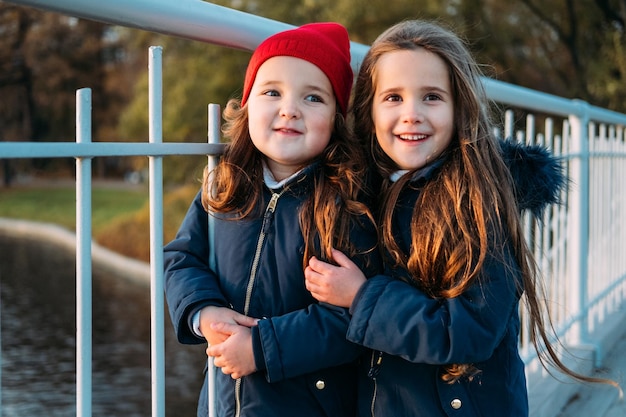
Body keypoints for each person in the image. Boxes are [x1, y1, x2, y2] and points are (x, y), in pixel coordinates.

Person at [304, 19, 619, 416]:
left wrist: (362, 297)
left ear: (459, 108)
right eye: (393, 98)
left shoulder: (477, 204)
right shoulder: (361, 196)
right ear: (367, 109)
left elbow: (469, 331)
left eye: (432, 97)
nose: (412, 114)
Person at [164, 22, 381, 417]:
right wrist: (202, 312)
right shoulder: (227, 185)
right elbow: (181, 257)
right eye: (272, 92)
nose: (289, 109)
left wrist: (262, 348)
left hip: (308, 404)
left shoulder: (346, 202)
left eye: (313, 97)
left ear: (336, 117)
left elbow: (351, 320)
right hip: (222, 402)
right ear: (247, 106)